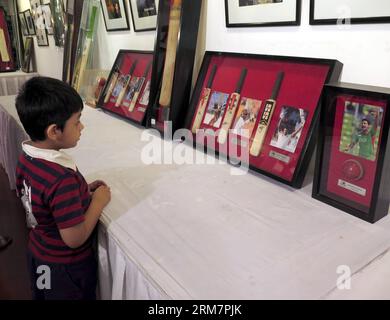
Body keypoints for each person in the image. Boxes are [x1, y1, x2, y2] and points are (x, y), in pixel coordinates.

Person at [15, 77, 111, 300]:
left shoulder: (27, 157)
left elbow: (41, 197)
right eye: (77, 122)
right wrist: (98, 201)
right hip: (66, 270)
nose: (82, 127)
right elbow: (74, 238)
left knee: (43, 294)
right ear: (54, 131)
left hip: (39, 255)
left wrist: (81, 191)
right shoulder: (61, 179)